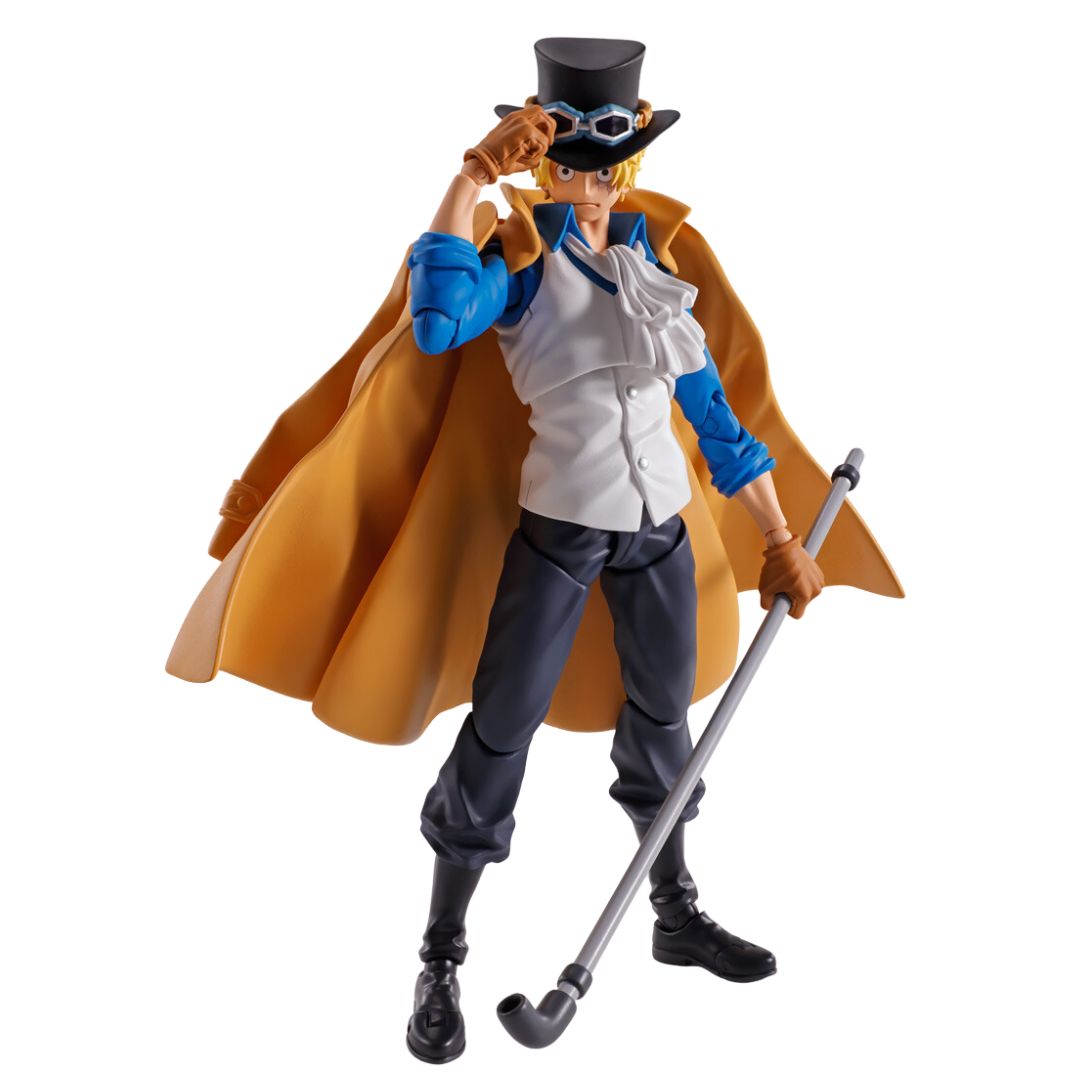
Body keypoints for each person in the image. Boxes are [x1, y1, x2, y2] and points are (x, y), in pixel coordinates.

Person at [166, 35, 902, 1067]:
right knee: (498, 735)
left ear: (629, 164)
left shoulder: (659, 269)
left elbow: (720, 424)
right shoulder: (516, 267)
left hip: (660, 538)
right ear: (543, 160)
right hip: (559, 538)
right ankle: (441, 955)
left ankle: (674, 910)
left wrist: (782, 539)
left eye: (608, 160)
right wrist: (469, 179)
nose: (589, 180)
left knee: (665, 725)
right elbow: (435, 324)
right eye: (569, 160)